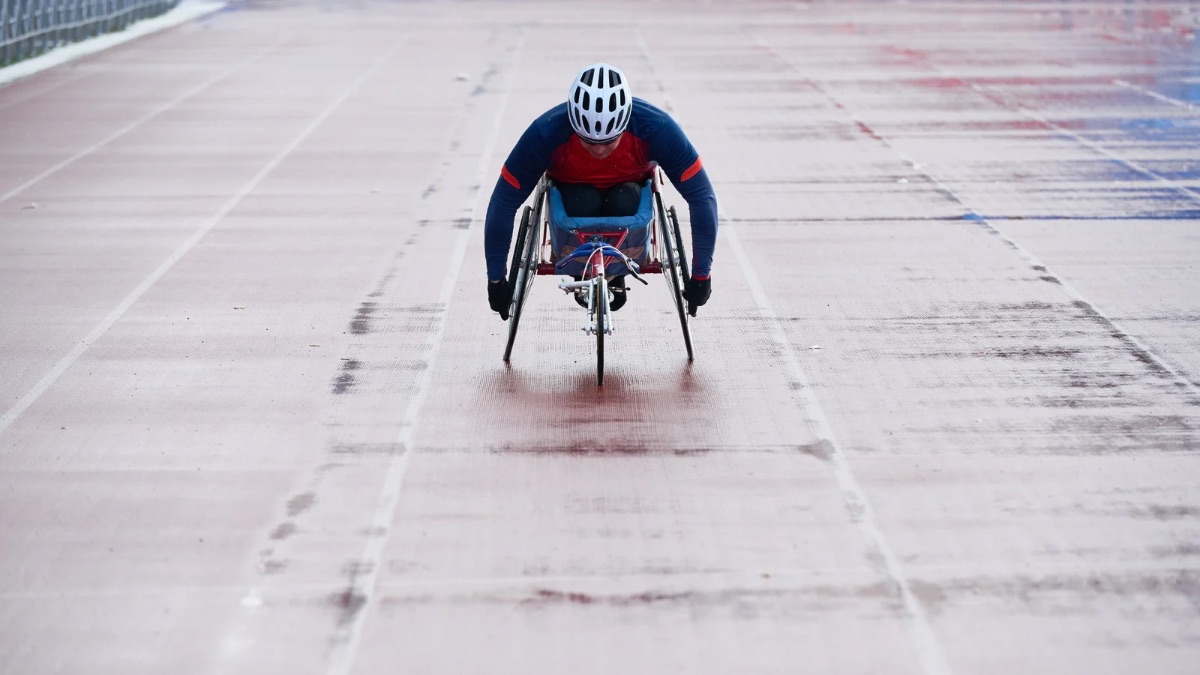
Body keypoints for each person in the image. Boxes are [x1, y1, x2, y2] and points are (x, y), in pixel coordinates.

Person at [484, 62, 717, 319]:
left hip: (628, 197)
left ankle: (616, 270)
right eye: (588, 141)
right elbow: (503, 202)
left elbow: (701, 196)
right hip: (573, 199)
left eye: (608, 142)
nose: (598, 150)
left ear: (625, 124)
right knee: (582, 200)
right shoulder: (544, 133)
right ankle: (581, 265)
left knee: (625, 197)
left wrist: (701, 275)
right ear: (573, 125)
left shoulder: (657, 128)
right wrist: (496, 280)